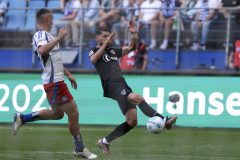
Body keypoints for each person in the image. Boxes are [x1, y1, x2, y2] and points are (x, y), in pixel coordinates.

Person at [12, 8, 97, 159]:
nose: (53, 22)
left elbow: (54, 61)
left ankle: (22, 118)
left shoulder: (47, 36)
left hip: (55, 81)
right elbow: (42, 51)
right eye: (51, 19)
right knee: (74, 113)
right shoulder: (41, 35)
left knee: (58, 114)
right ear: (45, 20)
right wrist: (59, 38)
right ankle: (79, 148)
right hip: (54, 82)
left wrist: (69, 74)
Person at [89, 21, 177, 155]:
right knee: (137, 97)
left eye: (109, 36)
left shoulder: (113, 51)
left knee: (132, 121)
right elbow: (94, 59)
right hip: (112, 85)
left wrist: (134, 34)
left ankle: (105, 141)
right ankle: (165, 121)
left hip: (122, 84)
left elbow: (132, 47)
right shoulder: (94, 51)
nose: (109, 38)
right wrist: (105, 44)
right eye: (105, 36)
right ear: (97, 38)